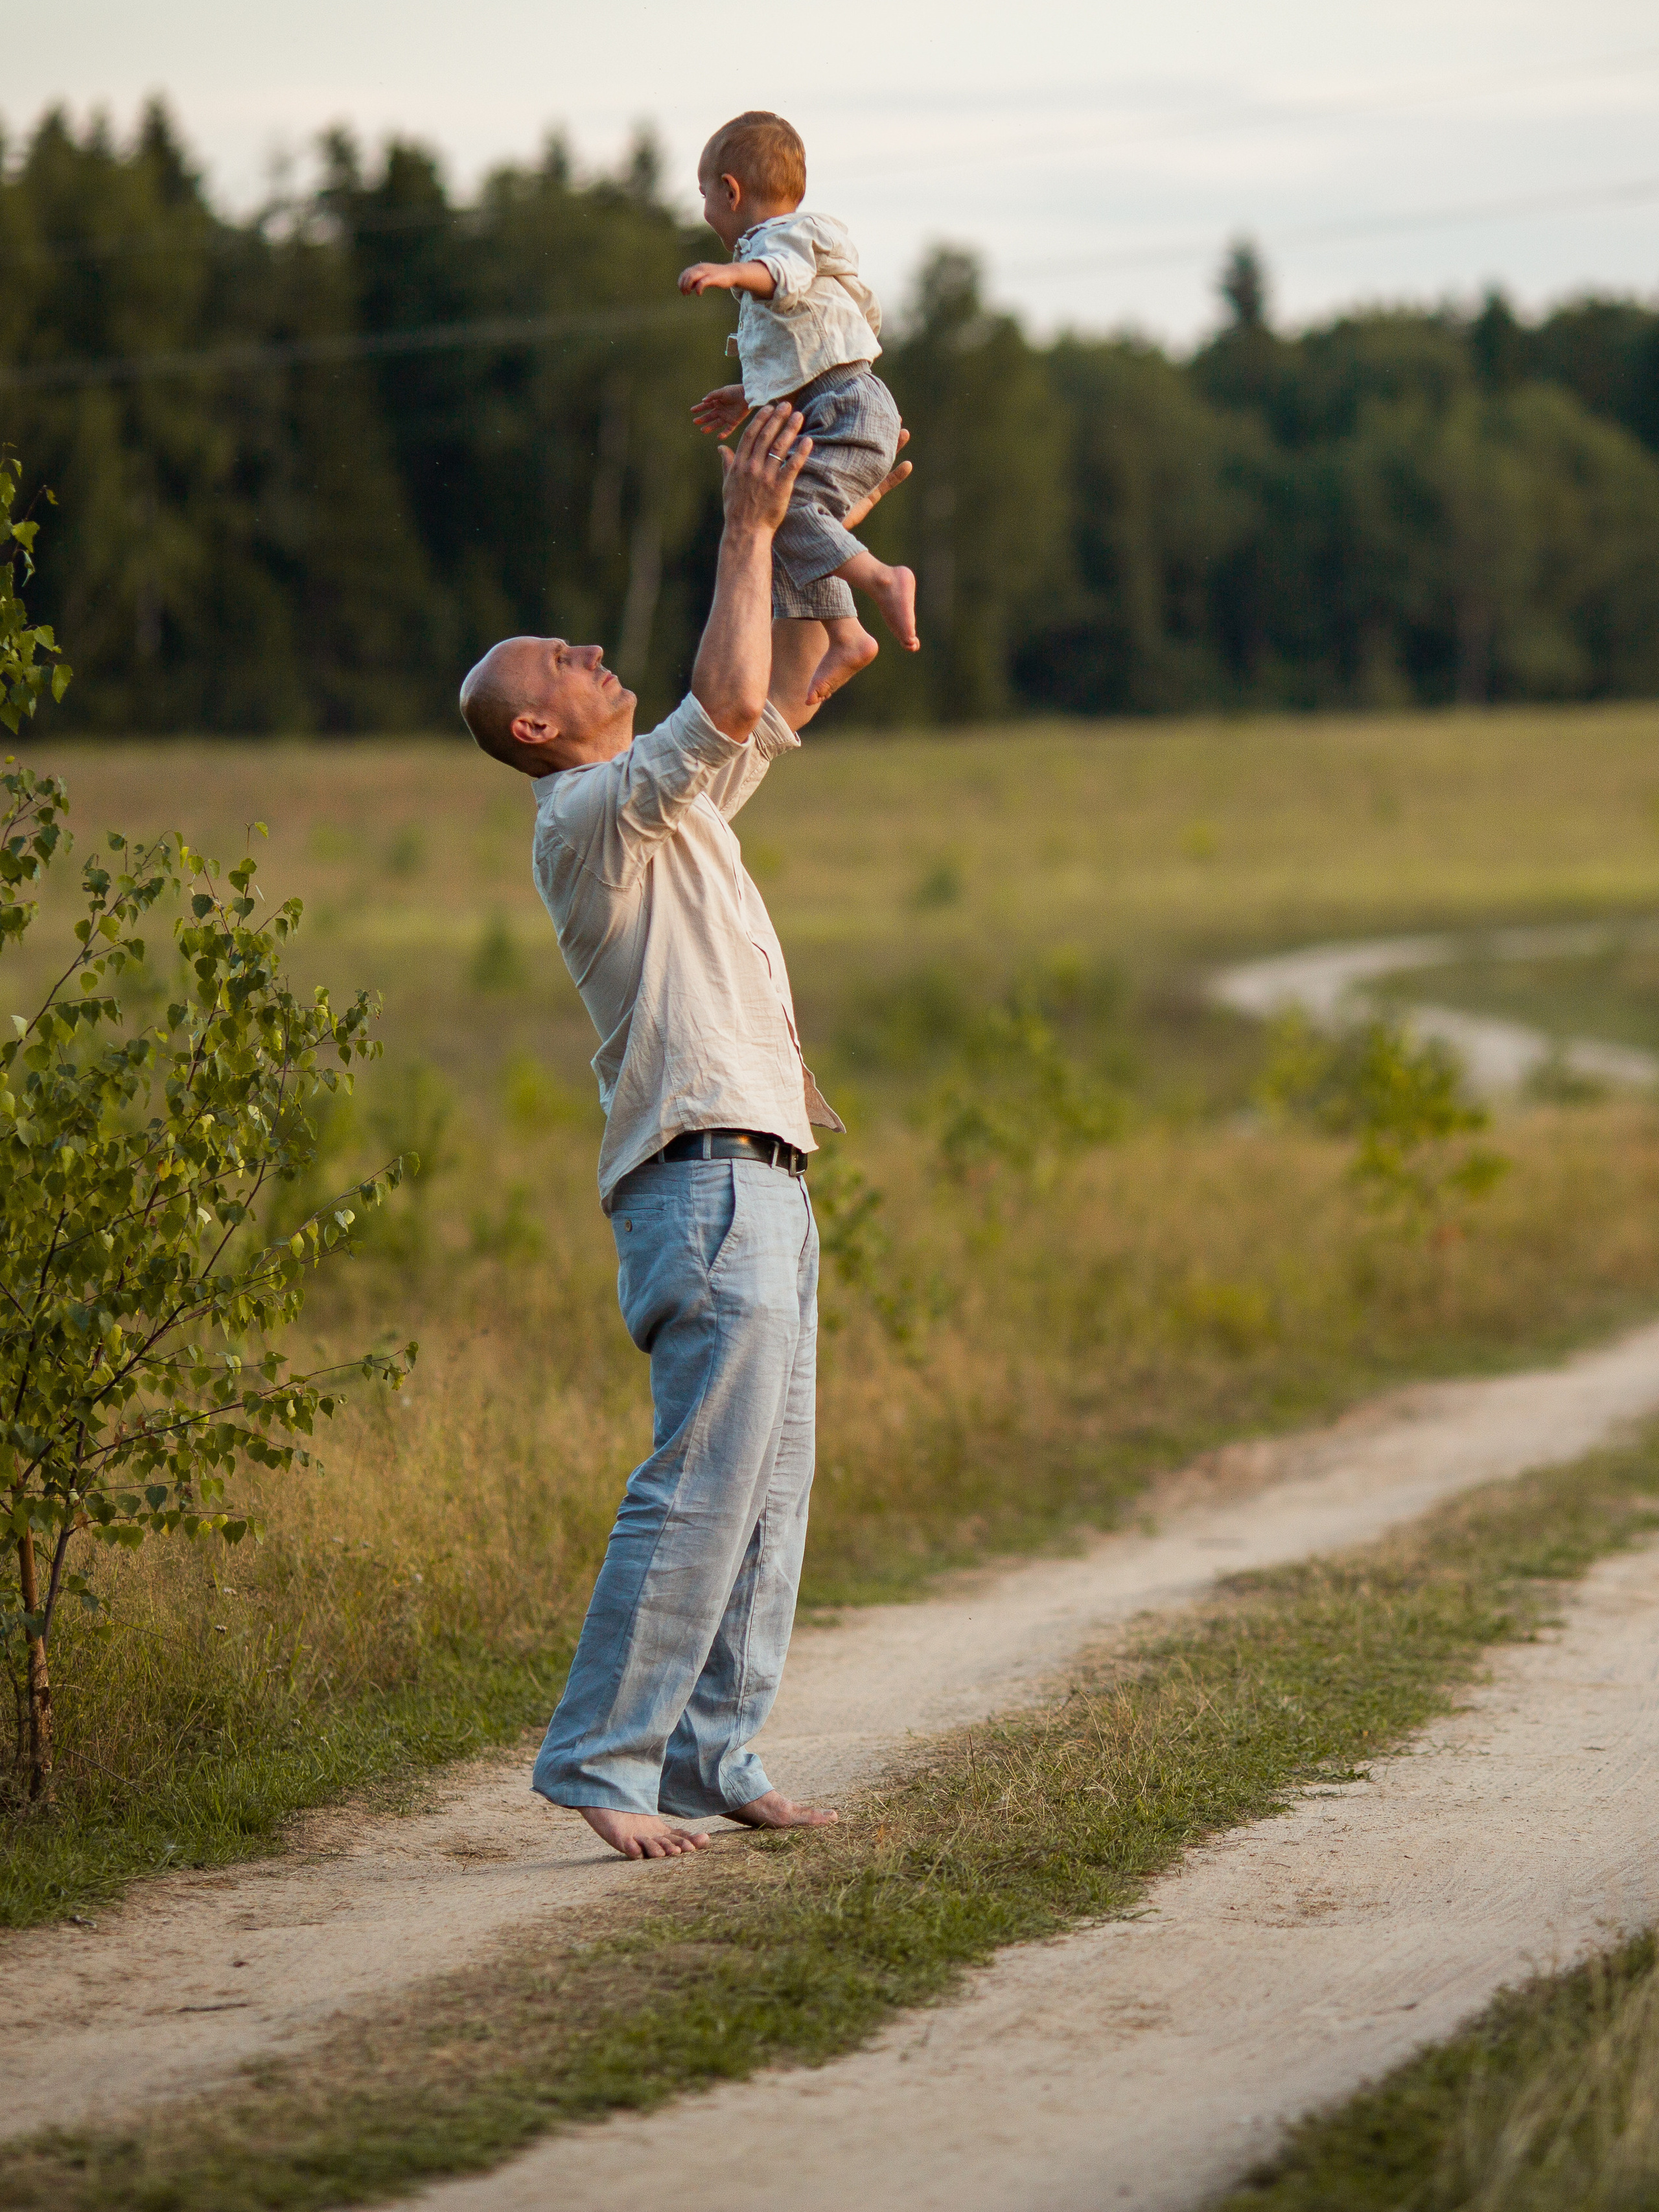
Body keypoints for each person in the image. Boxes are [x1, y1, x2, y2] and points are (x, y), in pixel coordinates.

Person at [458, 403, 910, 1860]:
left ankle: (714, 1753)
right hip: (702, 1182)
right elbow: (720, 711)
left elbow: (780, 690)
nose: (589, 652)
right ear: (537, 729)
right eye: (562, 663)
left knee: (768, 1491)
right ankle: (600, 1756)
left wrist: (819, 527)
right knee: (702, 1479)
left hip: (763, 1171)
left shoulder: (666, 811)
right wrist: (740, 527)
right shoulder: (584, 816)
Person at [679, 109, 919, 710]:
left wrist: (726, 271)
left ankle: (883, 580)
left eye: (705, 197)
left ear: (730, 190)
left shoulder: (778, 241)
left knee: (782, 513)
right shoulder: (798, 245)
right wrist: (749, 395)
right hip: (835, 402)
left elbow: (778, 276)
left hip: (844, 408)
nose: (707, 212)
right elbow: (809, 345)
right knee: (781, 533)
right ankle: (847, 634)